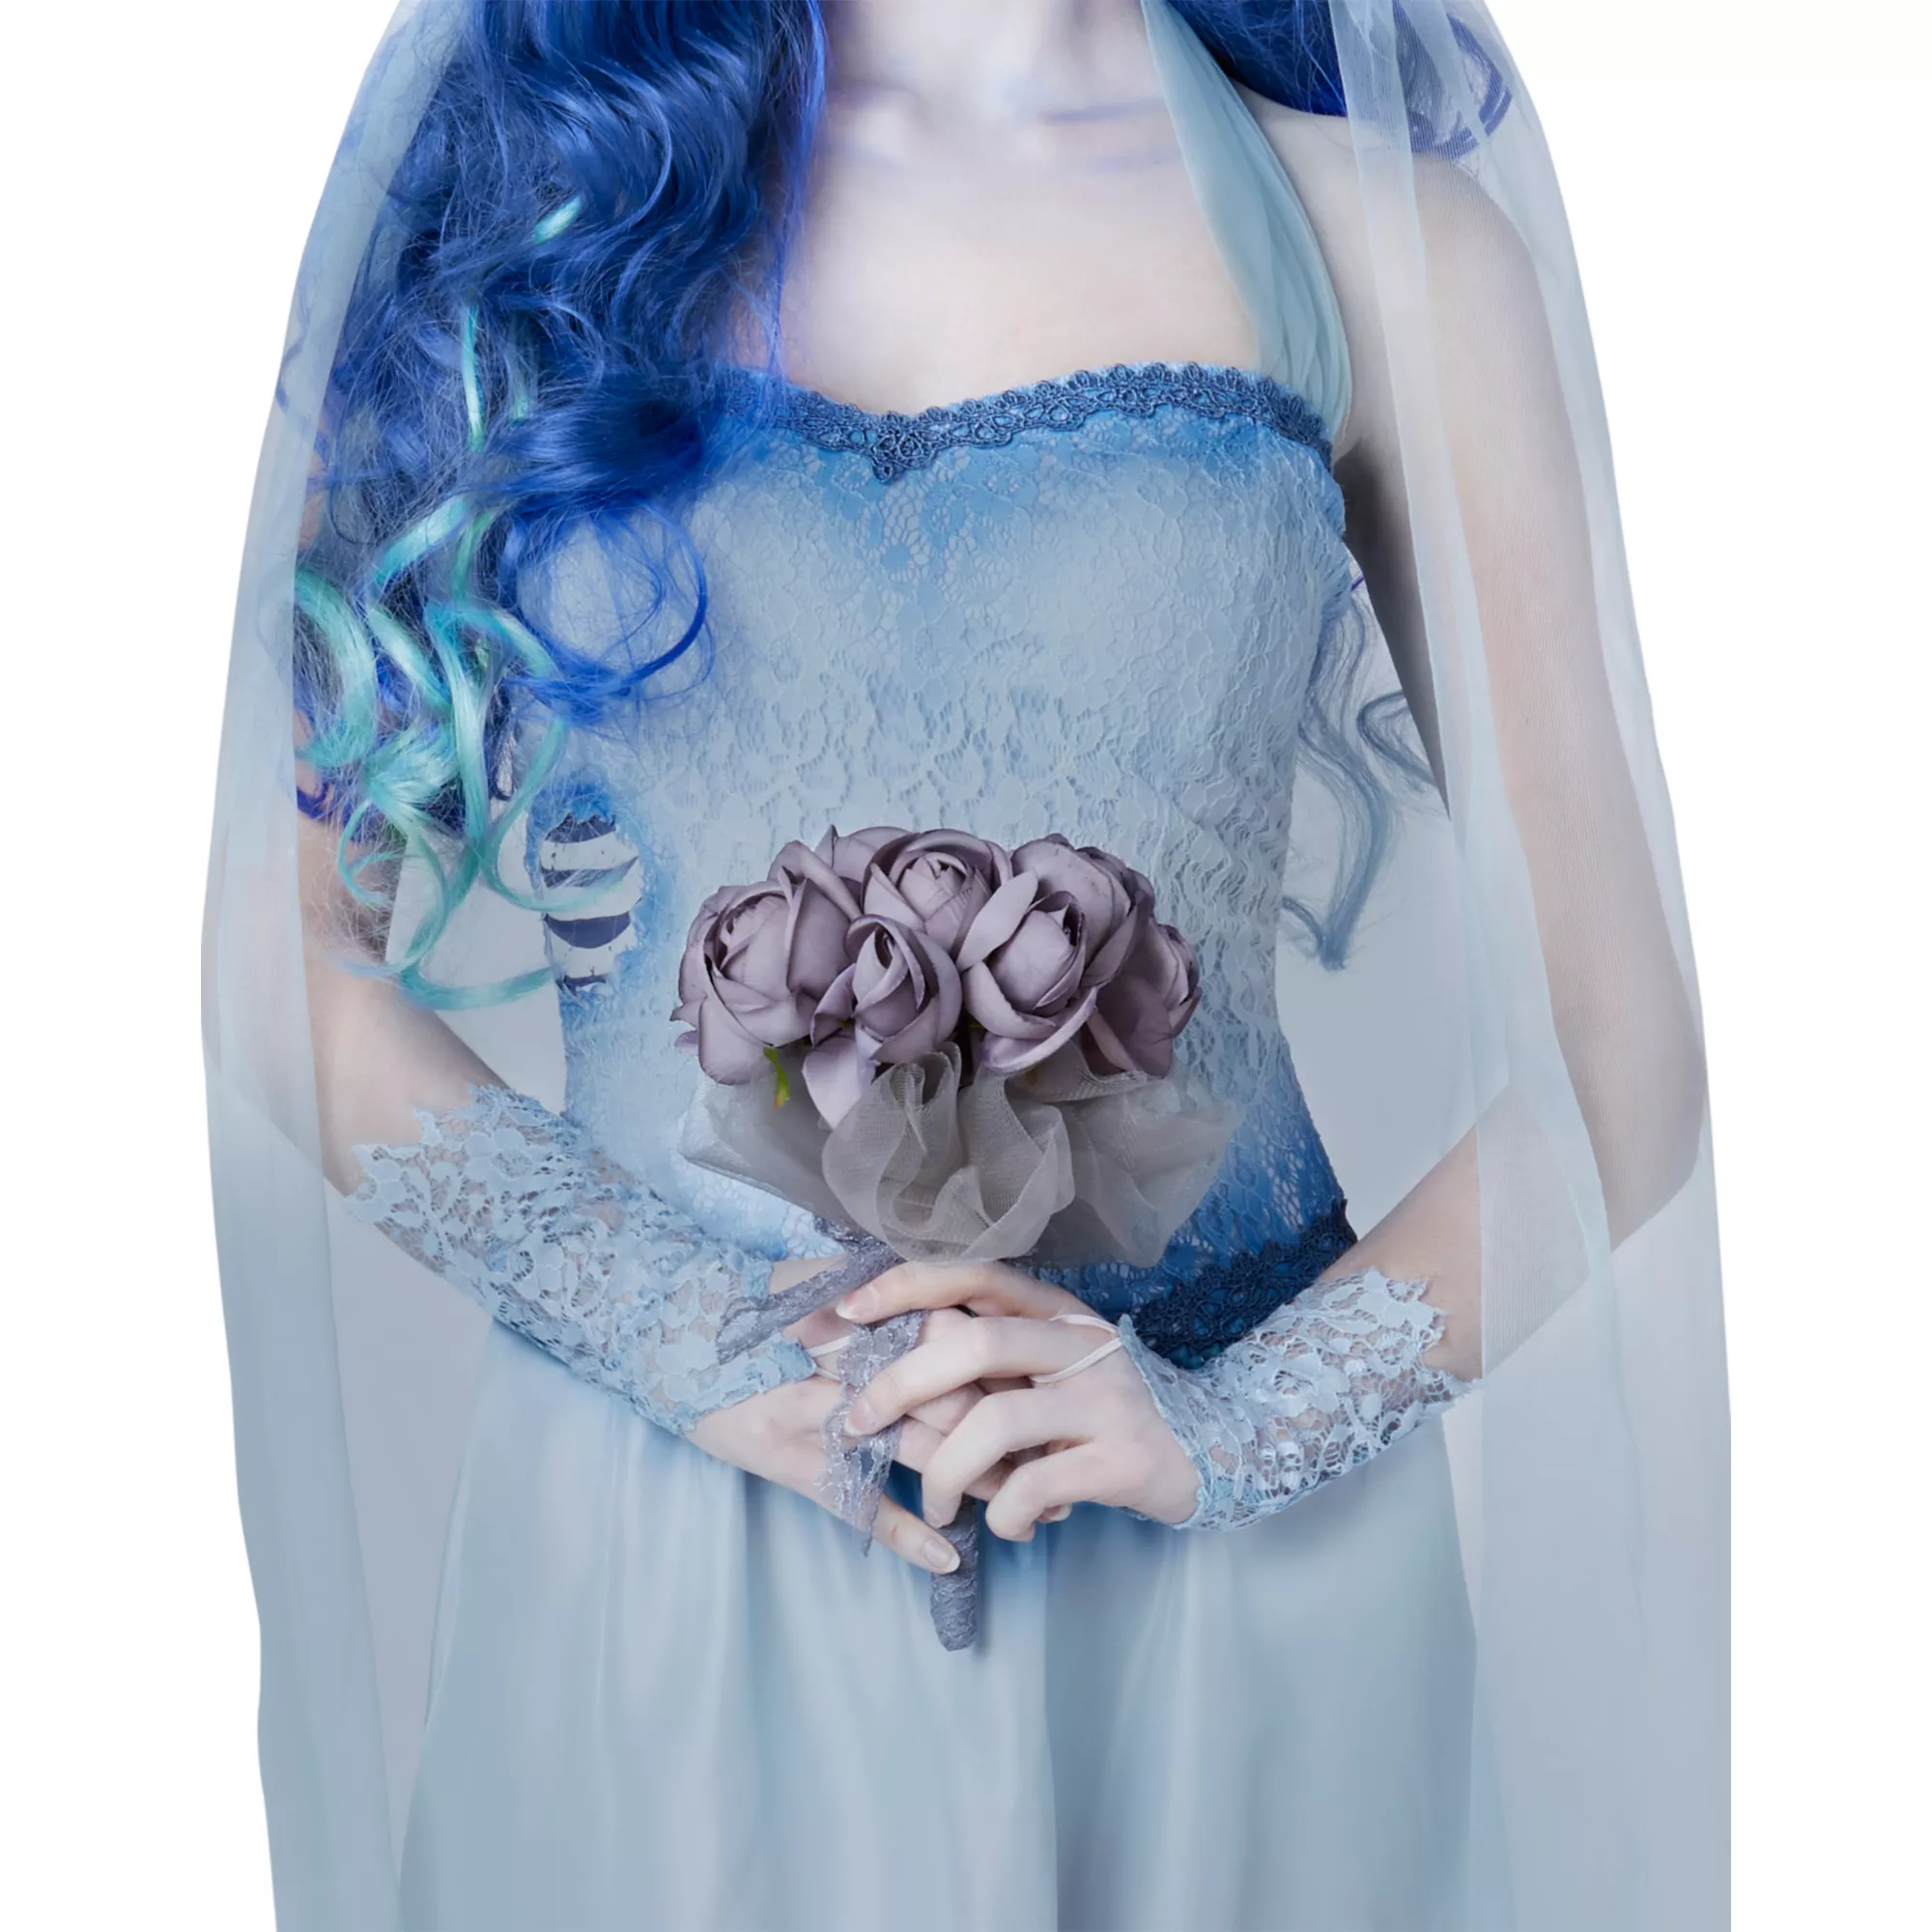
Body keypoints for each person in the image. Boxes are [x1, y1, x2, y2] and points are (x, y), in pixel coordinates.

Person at [206, 3, 1726, 1926]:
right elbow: (280, 953)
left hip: (1222, 1592)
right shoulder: (535, 212)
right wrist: (678, 1333)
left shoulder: (1378, 243)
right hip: (678, 1544)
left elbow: (1620, 1054)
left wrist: (1240, 1428)